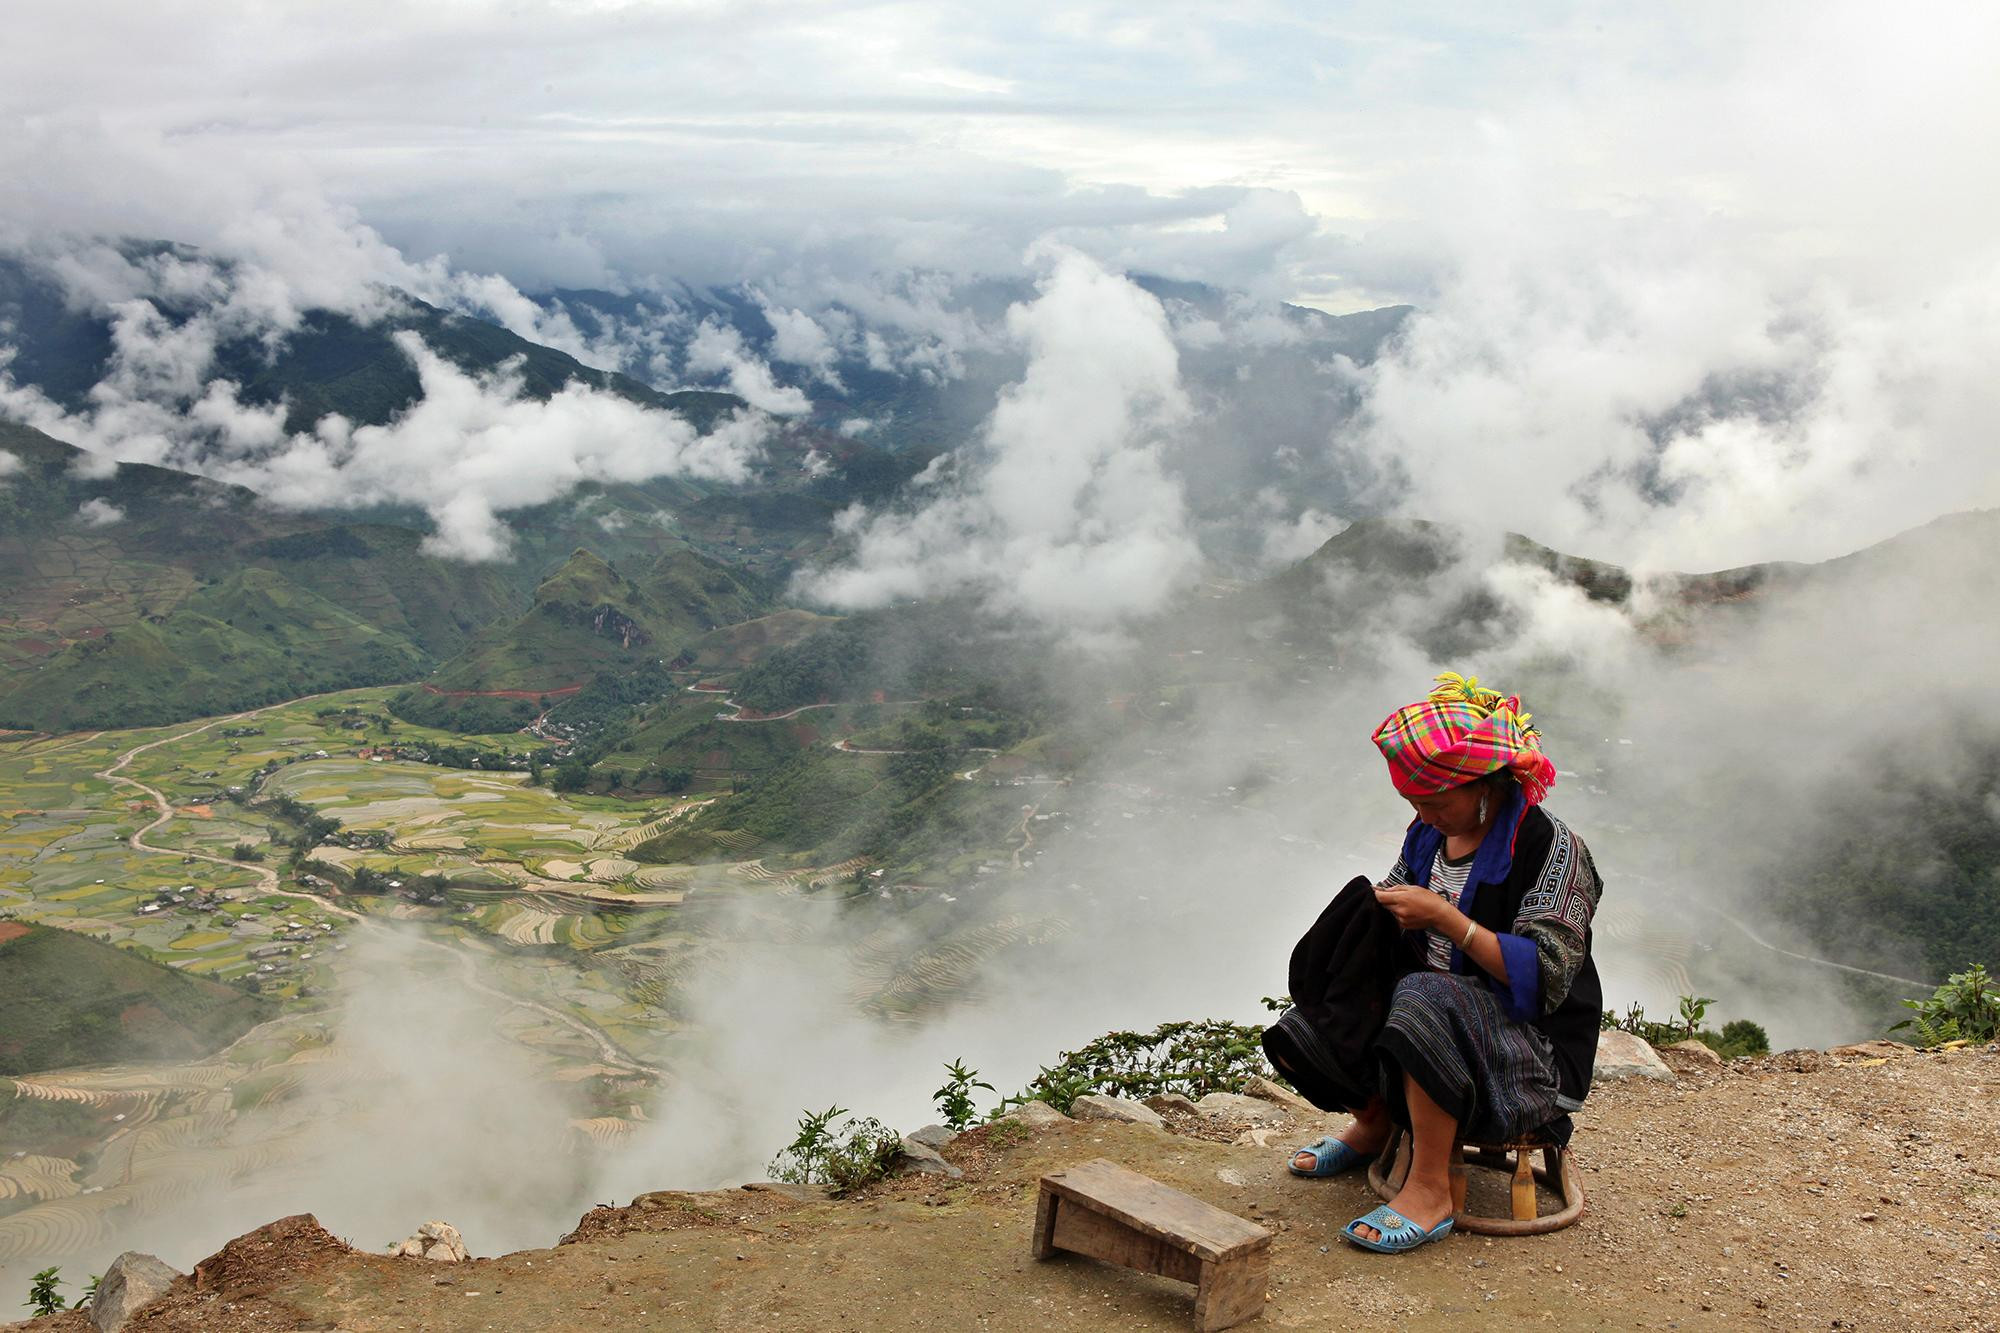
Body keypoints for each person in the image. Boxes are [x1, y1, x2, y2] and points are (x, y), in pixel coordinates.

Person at [1262, 672, 1604, 1254]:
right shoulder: (1428, 834)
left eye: (1436, 801)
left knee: (1424, 995)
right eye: (1414, 802)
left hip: (1531, 1052)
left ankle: (1429, 1186)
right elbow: (1397, 902)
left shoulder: (1552, 849)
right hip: (1438, 1019)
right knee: (1338, 968)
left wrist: (1449, 921)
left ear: (1485, 786)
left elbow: (1545, 977)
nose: (1425, 813)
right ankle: (1372, 1121)